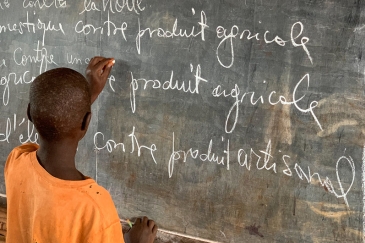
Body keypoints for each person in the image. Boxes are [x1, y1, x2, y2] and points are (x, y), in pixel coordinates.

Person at [4, 57, 158, 243]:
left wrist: (85, 96)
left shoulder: (16, 161)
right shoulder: (93, 208)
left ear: (29, 113)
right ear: (86, 122)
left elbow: (55, 129)